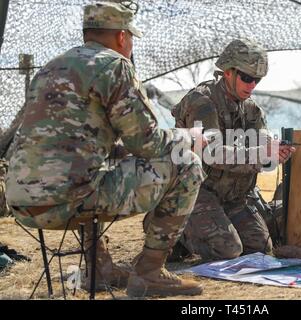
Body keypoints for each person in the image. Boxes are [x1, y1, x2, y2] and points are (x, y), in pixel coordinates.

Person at [5, 1, 205, 298]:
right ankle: (150, 272)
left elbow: (70, 146)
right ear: (122, 37)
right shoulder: (114, 65)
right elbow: (148, 143)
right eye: (131, 38)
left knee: (94, 174)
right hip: (68, 201)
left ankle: (100, 269)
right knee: (187, 164)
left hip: (21, 203)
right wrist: (187, 137)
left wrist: (121, 152)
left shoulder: (50, 68)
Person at [171, 38, 296, 261]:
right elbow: (212, 153)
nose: (252, 85)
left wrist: (275, 155)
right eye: (246, 78)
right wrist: (262, 153)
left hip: (234, 197)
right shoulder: (202, 103)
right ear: (227, 72)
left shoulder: (252, 111)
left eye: (256, 80)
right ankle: (172, 230)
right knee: (228, 250)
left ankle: (199, 230)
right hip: (195, 193)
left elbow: (263, 150)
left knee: (260, 250)